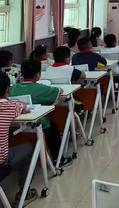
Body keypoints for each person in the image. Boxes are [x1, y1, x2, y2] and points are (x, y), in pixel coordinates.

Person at [10, 60, 68, 166]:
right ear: (37, 75)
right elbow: (59, 92)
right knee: (53, 127)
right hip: (36, 125)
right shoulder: (41, 88)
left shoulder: (12, 88)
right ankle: (59, 159)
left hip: (14, 126)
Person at [0, 72, 38, 206]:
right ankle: (24, 193)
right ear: (7, 89)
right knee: (29, 148)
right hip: (1, 162)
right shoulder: (10, 106)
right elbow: (24, 108)